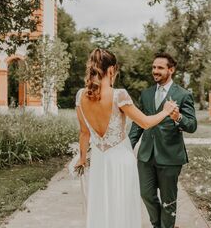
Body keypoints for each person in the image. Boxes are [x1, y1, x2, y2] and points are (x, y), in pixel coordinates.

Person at [74, 48, 177, 228]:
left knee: (102, 206)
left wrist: (82, 159)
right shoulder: (118, 95)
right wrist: (166, 111)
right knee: (121, 207)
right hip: (120, 161)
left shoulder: (80, 96)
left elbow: (84, 133)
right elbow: (145, 123)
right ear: (112, 69)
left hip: (98, 160)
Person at [129, 52, 197, 228]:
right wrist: (128, 147)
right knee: (146, 194)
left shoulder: (183, 95)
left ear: (171, 70)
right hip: (145, 156)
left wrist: (178, 117)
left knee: (168, 201)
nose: (155, 71)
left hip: (170, 156)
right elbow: (138, 124)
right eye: (153, 67)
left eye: (160, 67)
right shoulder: (146, 94)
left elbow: (192, 125)